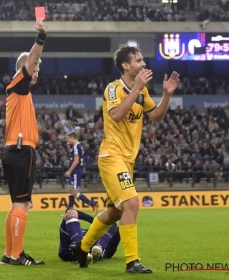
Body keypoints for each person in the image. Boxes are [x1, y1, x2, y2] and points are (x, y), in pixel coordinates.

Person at [71, 46, 180, 273]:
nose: (143, 64)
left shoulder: (143, 92)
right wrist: (138, 87)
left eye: (142, 60)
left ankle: (82, 247)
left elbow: (156, 116)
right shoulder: (114, 89)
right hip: (111, 156)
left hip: (127, 160)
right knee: (132, 203)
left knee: (115, 212)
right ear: (126, 65)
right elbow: (117, 115)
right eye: (138, 60)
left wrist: (167, 94)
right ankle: (132, 261)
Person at [0, 18, 47, 266]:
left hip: (13, 149)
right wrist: (41, 38)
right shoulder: (18, 84)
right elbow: (31, 61)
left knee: (16, 204)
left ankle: (9, 254)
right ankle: (17, 255)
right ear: (23, 70)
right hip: (21, 149)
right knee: (21, 204)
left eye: (38, 70)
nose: (36, 72)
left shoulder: (21, 92)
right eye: (34, 69)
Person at [65, 132, 98, 216]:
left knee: (75, 192)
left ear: (72, 138)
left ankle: (93, 204)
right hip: (74, 171)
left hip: (76, 171)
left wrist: (69, 171)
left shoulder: (76, 147)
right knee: (69, 189)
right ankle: (69, 209)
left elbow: (76, 161)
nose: (68, 140)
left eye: (68, 138)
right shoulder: (75, 147)